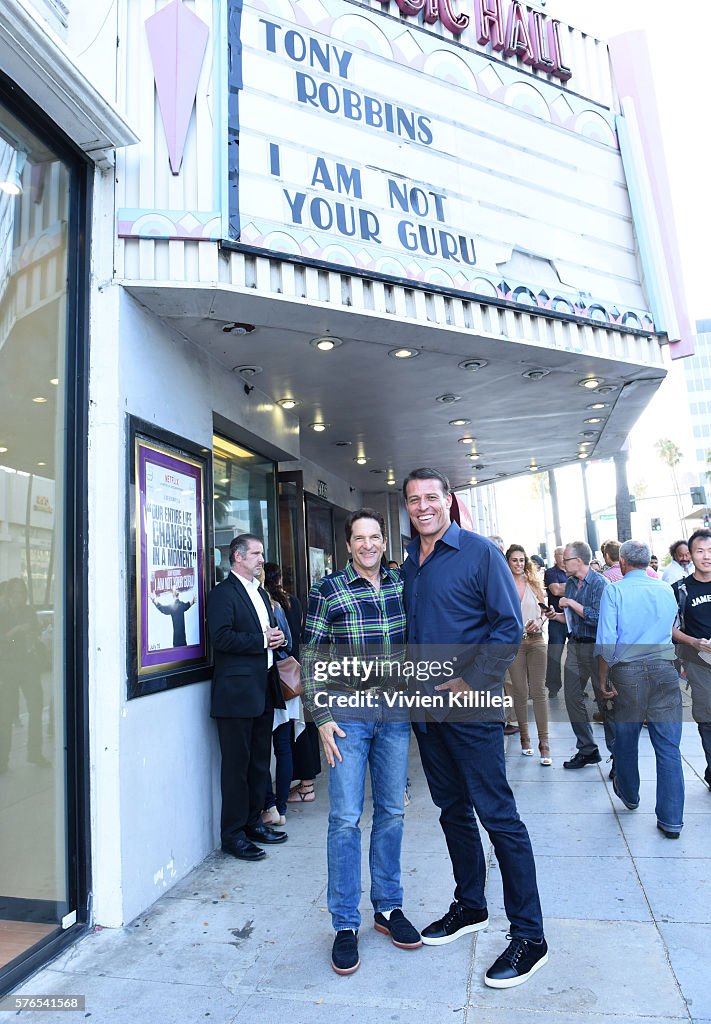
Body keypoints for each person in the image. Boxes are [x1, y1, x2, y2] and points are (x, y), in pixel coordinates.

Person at [402, 469, 547, 989]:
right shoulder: (410, 563)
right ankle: (470, 906)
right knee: (452, 812)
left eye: (431, 498)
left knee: (498, 816)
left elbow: (507, 625)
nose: (422, 507)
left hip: (471, 709)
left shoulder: (480, 552)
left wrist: (471, 679)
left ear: (449, 501)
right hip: (425, 712)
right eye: (413, 500)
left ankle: (530, 935)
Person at [302, 508, 419, 976]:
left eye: (375, 537)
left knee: (391, 811)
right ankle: (345, 923)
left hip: (394, 713)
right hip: (346, 714)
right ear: (347, 545)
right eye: (359, 538)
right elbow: (309, 653)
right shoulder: (327, 589)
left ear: (384, 543)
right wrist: (321, 716)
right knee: (346, 818)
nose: (368, 544)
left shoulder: (400, 585)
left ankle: (388, 908)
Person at [206, 534, 288, 861]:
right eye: (255, 553)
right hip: (235, 695)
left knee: (258, 763)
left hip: (262, 688)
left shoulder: (261, 594)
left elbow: (265, 638)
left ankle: (255, 823)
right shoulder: (223, 594)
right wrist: (261, 640)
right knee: (236, 768)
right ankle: (233, 835)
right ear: (238, 557)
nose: (260, 558)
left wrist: (276, 639)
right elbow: (221, 637)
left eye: (261, 553)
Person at [596, 541, 684, 837]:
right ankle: (672, 819)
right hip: (664, 669)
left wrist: (602, 678)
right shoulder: (666, 590)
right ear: (647, 562)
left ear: (621, 562)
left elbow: (607, 641)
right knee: (668, 746)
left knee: (626, 735)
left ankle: (630, 795)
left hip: (627, 670)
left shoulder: (615, 590)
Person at [544, 541, 613, 769]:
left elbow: (596, 618)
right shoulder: (572, 583)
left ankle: (618, 755)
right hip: (575, 645)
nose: (562, 564)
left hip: (597, 648)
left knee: (605, 701)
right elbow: (573, 619)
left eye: (566, 560)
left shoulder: (600, 583)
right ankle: (587, 749)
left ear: (578, 561)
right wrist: (556, 616)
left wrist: (571, 603)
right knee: (572, 697)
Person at [261, 564, 304, 827]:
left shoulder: (266, 605)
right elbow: (289, 642)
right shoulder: (278, 604)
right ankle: (281, 808)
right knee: (283, 746)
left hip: (270, 681)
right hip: (285, 681)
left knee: (264, 749)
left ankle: (270, 807)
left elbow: (284, 641)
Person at [671, 528, 711, 792]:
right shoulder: (680, 589)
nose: (706, 557)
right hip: (699, 662)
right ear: (689, 555)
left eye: (710, 551)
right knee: (707, 715)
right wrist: (693, 642)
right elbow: (668, 628)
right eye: (700, 551)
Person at [505, 545, 551, 764]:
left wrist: (540, 621)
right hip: (514, 644)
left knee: (539, 691)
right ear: (508, 562)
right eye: (514, 560)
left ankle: (545, 743)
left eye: (522, 560)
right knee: (520, 693)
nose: (519, 564)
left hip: (537, 641)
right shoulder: (502, 585)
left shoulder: (534, 583)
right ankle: (525, 738)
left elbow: (545, 611)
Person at [543, 546, 568, 698]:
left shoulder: (572, 572)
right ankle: (553, 687)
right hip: (556, 618)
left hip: (573, 618)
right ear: (555, 556)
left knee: (577, 656)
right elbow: (556, 591)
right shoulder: (551, 572)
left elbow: (560, 588)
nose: (564, 557)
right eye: (561, 554)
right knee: (554, 653)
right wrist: (575, 586)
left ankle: (578, 687)